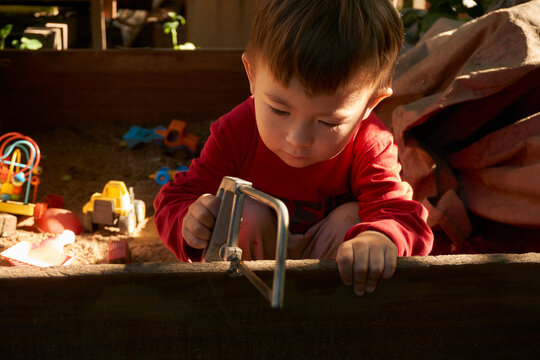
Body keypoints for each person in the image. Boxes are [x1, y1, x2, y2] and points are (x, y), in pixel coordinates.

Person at [154, 0, 433, 296]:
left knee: (356, 219)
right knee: (243, 210)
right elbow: (177, 198)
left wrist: (381, 239)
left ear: (370, 104)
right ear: (252, 75)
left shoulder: (369, 142)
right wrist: (191, 221)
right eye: (279, 111)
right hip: (248, 284)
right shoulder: (236, 130)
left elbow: (403, 216)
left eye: (328, 122)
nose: (298, 139)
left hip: (330, 284)